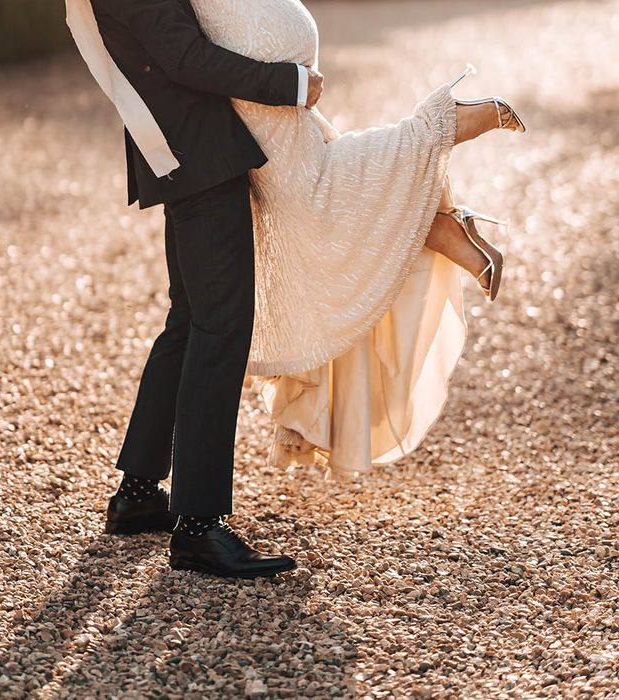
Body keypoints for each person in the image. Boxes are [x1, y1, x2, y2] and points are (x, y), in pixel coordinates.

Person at [65, 0, 524, 578]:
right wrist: (290, 81)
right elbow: (185, 56)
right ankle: (199, 527)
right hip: (200, 152)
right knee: (219, 328)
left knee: (190, 322)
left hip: (189, 149)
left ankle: (137, 493)